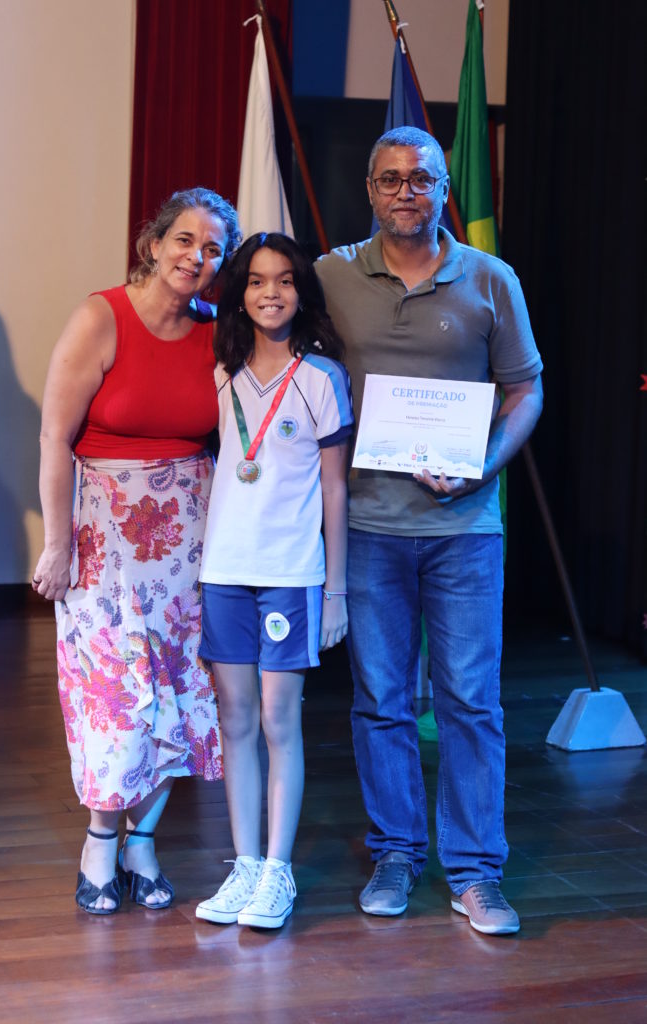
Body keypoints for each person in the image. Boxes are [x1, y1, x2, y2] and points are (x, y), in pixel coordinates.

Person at [315, 126, 544, 936]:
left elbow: (525, 391)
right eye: (389, 179)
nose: (404, 191)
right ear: (368, 189)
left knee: (470, 703)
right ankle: (395, 853)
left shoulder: (490, 278)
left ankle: (476, 872)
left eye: (420, 179)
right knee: (380, 701)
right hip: (367, 527)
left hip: (465, 529)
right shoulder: (331, 275)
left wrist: (482, 465)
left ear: (444, 189)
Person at [33, 188, 241, 915]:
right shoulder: (101, 317)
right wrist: (57, 544)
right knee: (113, 692)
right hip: (104, 535)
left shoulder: (218, 331)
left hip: (191, 538)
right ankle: (100, 838)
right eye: (185, 240)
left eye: (212, 250)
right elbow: (54, 438)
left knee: (180, 689)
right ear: (153, 244)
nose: (196, 258)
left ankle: (142, 841)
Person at [195, 232, 353, 929]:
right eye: (257, 281)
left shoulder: (321, 377)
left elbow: (335, 490)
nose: (270, 293)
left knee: (277, 718)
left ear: (301, 291)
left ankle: (278, 871)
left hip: (291, 574)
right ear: (239, 294)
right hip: (224, 571)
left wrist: (336, 589)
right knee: (234, 719)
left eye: (284, 280)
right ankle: (245, 865)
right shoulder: (221, 372)